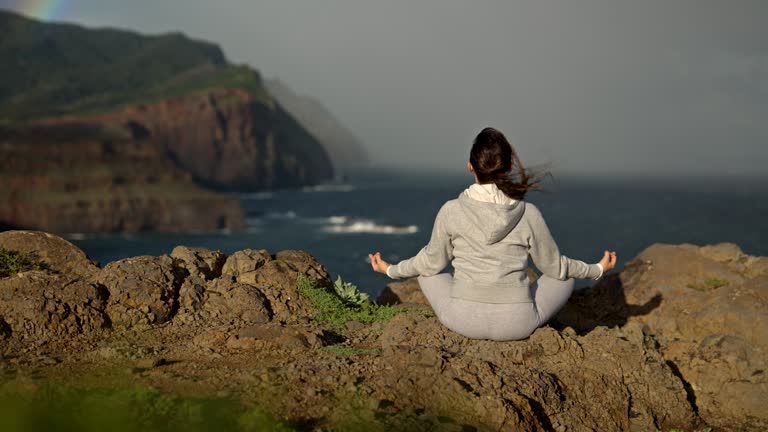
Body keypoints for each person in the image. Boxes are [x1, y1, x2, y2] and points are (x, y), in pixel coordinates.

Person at [368, 127, 617, 341]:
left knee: (427, 271)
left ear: (470, 166)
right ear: (508, 167)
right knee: (564, 277)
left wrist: (390, 270)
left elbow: (430, 262)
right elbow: (554, 268)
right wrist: (596, 269)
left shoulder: (451, 210)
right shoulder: (528, 213)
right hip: (517, 324)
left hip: (462, 320)